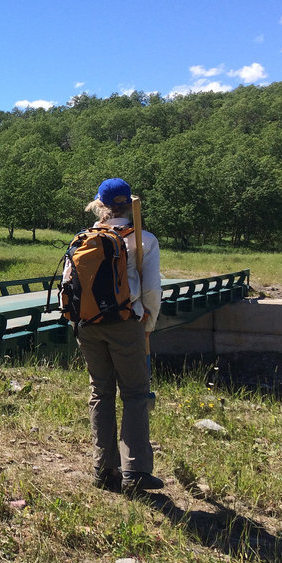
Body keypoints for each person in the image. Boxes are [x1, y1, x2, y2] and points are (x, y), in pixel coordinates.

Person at [73, 178, 163, 493]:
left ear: (100, 205)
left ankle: (104, 469)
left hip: (87, 326)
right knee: (135, 394)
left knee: (101, 393)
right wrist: (148, 321)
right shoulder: (144, 239)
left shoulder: (83, 238)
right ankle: (135, 471)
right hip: (127, 323)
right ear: (129, 205)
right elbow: (151, 290)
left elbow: (69, 285)